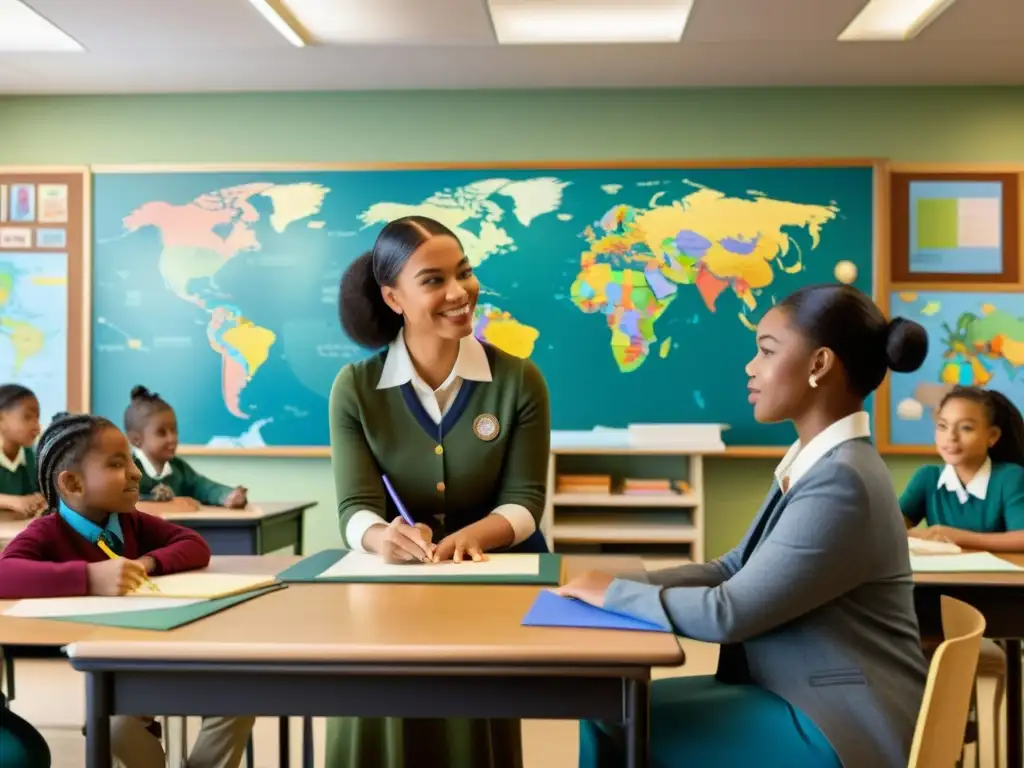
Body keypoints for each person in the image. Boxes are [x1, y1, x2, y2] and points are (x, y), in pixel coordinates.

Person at [557, 283, 931, 768]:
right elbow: (735, 567)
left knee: (616, 717)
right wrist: (621, 585)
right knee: (610, 709)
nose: (750, 367)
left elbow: (728, 613)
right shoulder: (819, 461)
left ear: (819, 365)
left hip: (838, 724)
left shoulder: (842, 480)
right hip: (799, 695)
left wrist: (615, 596)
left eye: (766, 351)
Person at [325, 215, 551, 767]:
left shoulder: (520, 380)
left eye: (465, 273)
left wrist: (470, 538)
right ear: (393, 297)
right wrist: (382, 537)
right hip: (387, 588)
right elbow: (355, 508)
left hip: (490, 584)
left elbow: (525, 503)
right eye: (433, 280)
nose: (459, 293)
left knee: (473, 716)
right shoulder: (355, 388)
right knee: (374, 709)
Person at [0, 412, 255, 768]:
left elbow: (193, 543)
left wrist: (148, 563)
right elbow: (4, 573)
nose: (136, 473)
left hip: (159, 653)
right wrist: (90, 578)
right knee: (117, 730)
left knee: (239, 699)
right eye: (118, 464)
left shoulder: (130, 521)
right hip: (109, 674)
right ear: (72, 484)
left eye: (133, 461)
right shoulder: (48, 531)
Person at [902, 385, 1024, 550]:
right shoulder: (927, 477)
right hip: (940, 575)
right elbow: (891, 529)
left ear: (992, 436)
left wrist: (954, 537)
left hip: (996, 575)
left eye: (966, 428)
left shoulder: (1010, 477)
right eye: (942, 426)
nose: (951, 437)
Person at [125, 386, 247, 510]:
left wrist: (227, 495)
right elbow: (121, 500)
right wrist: (152, 499)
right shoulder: (127, 470)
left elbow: (203, 487)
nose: (171, 438)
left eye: (174, 430)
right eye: (161, 433)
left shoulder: (179, 468)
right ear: (136, 440)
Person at [0, 384, 45, 519]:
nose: (36, 426)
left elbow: (37, 491)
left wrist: (37, 500)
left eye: (37, 418)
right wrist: (13, 502)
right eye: (27, 417)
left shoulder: (31, 456)